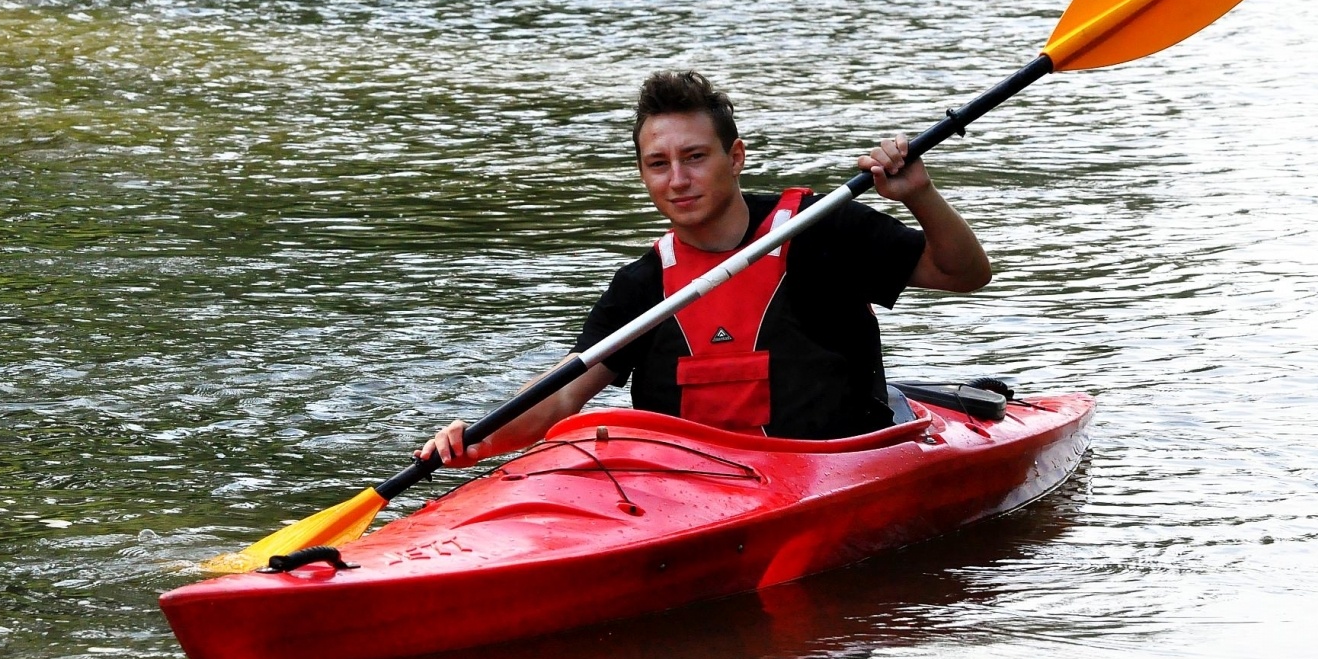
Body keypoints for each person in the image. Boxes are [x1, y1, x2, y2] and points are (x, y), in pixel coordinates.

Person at [419, 70, 991, 464]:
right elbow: (564, 396)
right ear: (643, 174)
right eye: (658, 164)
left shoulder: (821, 226)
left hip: (836, 470)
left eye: (694, 157)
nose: (678, 180)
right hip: (691, 492)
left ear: (734, 157)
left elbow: (964, 274)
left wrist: (920, 194)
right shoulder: (643, 285)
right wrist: (477, 438)